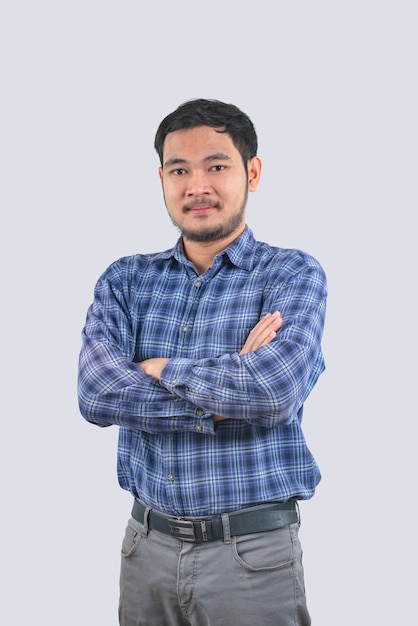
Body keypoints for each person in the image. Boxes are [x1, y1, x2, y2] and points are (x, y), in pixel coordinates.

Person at [78, 98, 327, 626]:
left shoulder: (291, 275)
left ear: (251, 172)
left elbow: (273, 390)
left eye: (217, 165)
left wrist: (157, 367)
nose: (197, 186)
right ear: (162, 179)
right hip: (145, 550)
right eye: (179, 170)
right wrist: (223, 387)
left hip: (252, 555)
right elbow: (97, 392)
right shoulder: (125, 281)